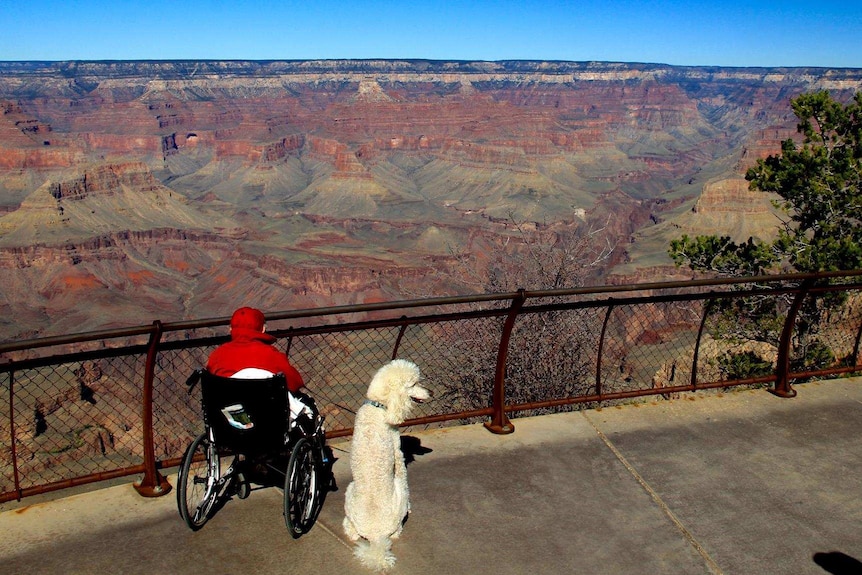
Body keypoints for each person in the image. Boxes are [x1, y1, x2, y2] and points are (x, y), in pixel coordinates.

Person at [207, 306, 305, 392]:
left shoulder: (217, 355)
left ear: (231, 330)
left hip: (226, 411)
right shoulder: (272, 355)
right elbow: (294, 383)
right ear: (263, 329)